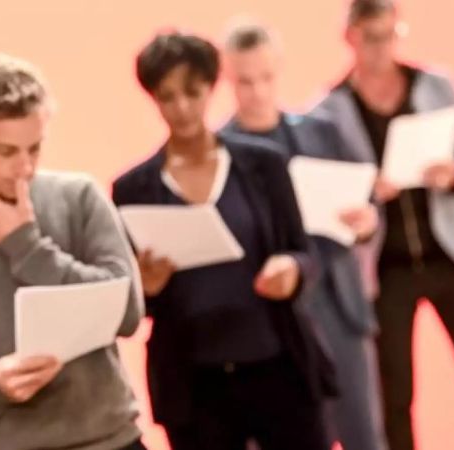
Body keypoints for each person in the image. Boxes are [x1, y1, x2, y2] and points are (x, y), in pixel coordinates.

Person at [0, 53, 146, 450]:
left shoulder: (80, 198)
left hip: (110, 440)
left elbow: (126, 314)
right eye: (6, 151)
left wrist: (27, 246)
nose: (24, 168)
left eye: (34, 148)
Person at [111, 31, 335, 450]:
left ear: (212, 88)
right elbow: (134, 301)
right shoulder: (132, 188)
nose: (181, 108)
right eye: (167, 96)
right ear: (153, 97)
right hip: (196, 386)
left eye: (192, 93)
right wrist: (147, 287)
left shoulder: (263, 163)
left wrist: (292, 270)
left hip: (278, 366)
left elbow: (304, 252)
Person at [311, 1, 454, 449]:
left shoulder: (434, 84)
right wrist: (366, 190)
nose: (381, 48)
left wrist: (453, 171)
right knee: (394, 393)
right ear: (350, 37)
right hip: (387, 268)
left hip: (449, 255)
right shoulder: (330, 109)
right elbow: (330, 193)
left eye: (390, 34)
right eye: (370, 37)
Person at [219, 22, 387, 450]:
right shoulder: (219, 151)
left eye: (266, 77)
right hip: (273, 318)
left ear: (280, 69)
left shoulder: (322, 131)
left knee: (363, 433)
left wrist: (366, 224)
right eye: (245, 81)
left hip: (338, 303)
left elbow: (368, 203)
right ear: (227, 78)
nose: (257, 91)